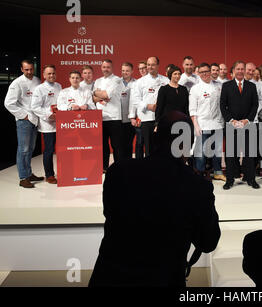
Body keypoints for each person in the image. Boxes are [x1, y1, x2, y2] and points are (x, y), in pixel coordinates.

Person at [89, 111, 221, 287]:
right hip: (164, 279)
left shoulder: (118, 172)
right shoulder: (197, 186)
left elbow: (110, 213)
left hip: (110, 277)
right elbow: (208, 242)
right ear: (188, 144)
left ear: (155, 137)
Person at [220, 60, 259, 190]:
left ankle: (250, 179)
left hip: (247, 124)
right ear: (233, 71)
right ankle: (230, 180)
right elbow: (222, 106)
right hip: (232, 124)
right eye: (238, 69)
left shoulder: (252, 86)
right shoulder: (226, 86)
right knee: (231, 154)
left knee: (249, 153)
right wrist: (231, 120)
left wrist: (247, 120)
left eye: (242, 69)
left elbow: (255, 105)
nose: (240, 71)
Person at [4, 60, 43, 188]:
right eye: (26, 69)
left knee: (30, 149)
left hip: (34, 119)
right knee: (23, 149)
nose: (29, 72)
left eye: (31, 69)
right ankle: (23, 178)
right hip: (24, 121)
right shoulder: (17, 83)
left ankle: (29, 173)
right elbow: (9, 103)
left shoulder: (37, 80)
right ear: (21, 69)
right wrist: (24, 116)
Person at [190, 63, 226, 181]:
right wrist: (196, 125)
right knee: (201, 152)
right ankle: (200, 173)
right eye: (202, 72)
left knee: (217, 151)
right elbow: (193, 110)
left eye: (206, 71)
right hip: (202, 124)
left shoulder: (219, 86)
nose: (204, 74)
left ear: (210, 71)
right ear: (198, 74)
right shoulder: (195, 89)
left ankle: (217, 172)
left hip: (217, 123)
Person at [130, 56, 169, 158]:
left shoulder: (165, 80)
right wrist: (148, 106)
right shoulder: (140, 82)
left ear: (158, 66)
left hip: (162, 119)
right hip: (147, 119)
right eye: (148, 65)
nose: (150, 67)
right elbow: (135, 100)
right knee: (149, 148)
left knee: (163, 147)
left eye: (152, 64)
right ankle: (149, 171)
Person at [31, 65, 62, 184]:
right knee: (49, 150)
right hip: (47, 124)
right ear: (44, 75)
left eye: (53, 73)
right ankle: (49, 175)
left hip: (60, 123)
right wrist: (48, 115)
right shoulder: (39, 89)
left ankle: (65, 171)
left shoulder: (59, 86)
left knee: (62, 150)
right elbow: (35, 107)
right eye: (49, 74)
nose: (51, 75)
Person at [93, 59, 123, 172]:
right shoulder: (97, 81)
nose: (106, 69)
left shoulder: (117, 80)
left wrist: (98, 93)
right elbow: (94, 98)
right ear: (101, 68)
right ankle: (104, 167)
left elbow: (106, 94)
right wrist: (100, 95)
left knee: (116, 146)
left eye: (108, 67)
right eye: (104, 67)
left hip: (114, 117)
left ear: (112, 68)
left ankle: (118, 168)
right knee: (103, 145)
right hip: (100, 117)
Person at [119, 62, 137, 160]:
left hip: (131, 119)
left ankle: (129, 163)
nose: (125, 73)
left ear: (132, 71)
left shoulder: (137, 83)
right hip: (118, 118)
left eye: (127, 71)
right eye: (123, 71)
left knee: (129, 143)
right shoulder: (117, 82)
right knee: (119, 144)